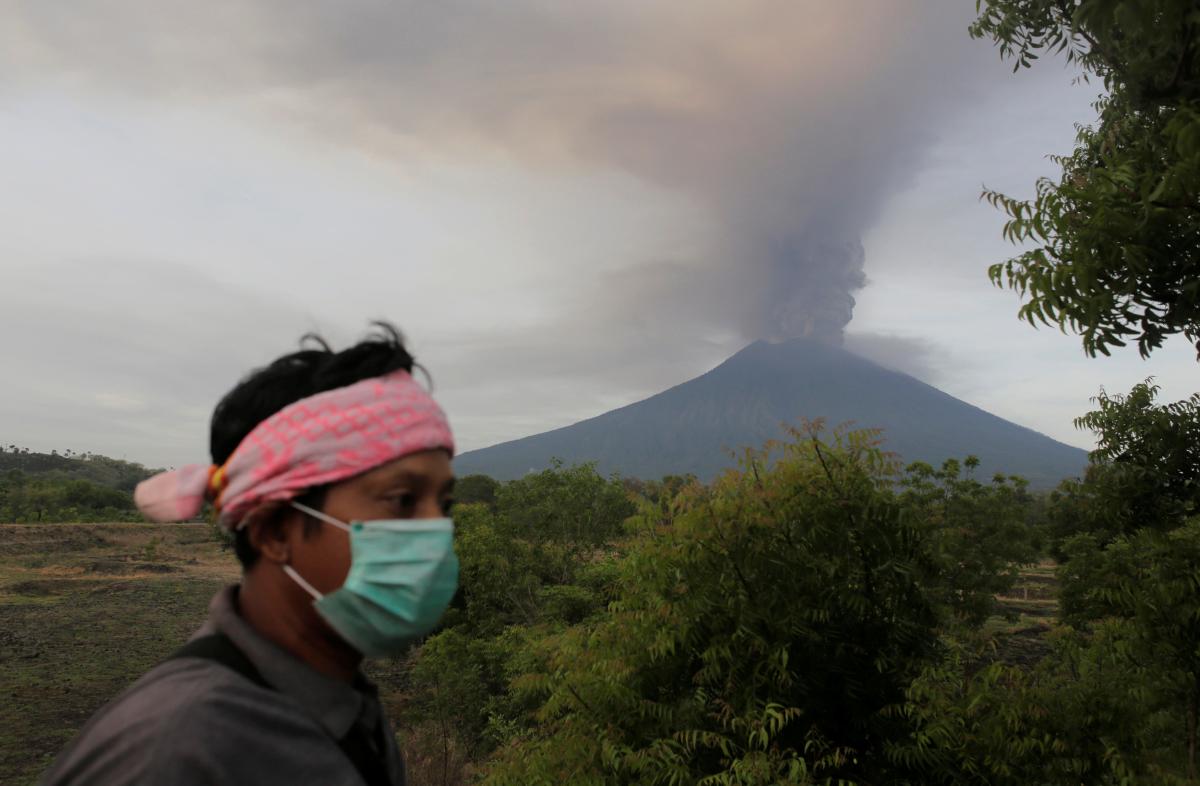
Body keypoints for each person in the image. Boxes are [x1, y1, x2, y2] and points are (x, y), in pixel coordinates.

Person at [42, 323, 456, 786]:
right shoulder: (177, 753)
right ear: (273, 530)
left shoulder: (344, 703)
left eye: (445, 505)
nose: (437, 533)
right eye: (401, 500)